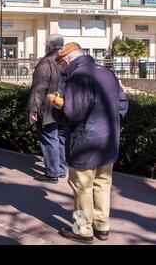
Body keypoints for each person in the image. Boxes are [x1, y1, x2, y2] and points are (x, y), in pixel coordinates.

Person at [48, 42, 128, 244]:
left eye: (62, 65)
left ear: (67, 61)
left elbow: (73, 114)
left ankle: (83, 229)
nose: (62, 69)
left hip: (86, 142)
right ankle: (102, 226)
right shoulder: (106, 72)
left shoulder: (79, 77)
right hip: (109, 139)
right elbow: (122, 104)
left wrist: (56, 109)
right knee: (103, 184)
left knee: (82, 186)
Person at [27, 34, 67, 184]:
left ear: (48, 46)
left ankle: (52, 173)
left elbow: (39, 88)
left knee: (50, 139)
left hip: (48, 109)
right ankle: (61, 169)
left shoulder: (46, 63)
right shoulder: (65, 61)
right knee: (61, 138)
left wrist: (33, 109)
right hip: (63, 107)